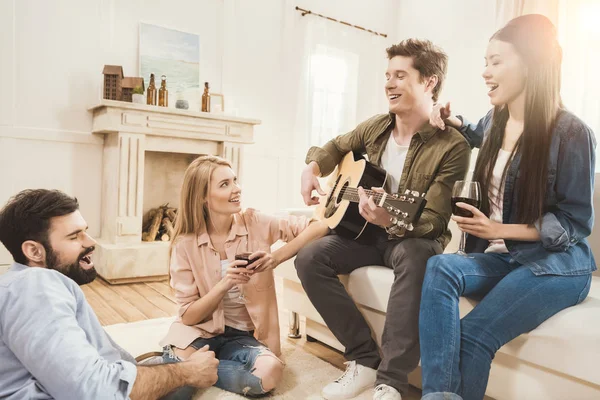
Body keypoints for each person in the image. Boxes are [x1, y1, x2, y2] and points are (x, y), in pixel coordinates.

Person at [421, 14, 597, 400]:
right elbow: (475, 132)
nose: (485, 72)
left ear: (532, 64)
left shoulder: (572, 133)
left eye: (496, 61)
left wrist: (500, 231)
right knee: (440, 266)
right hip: (505, 257)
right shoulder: (497, 118)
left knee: (472, 336)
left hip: (555, 264)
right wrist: (452, 119)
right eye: (486, 62)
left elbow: (575, 222)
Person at [296, 39, 472, 400]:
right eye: (387, 75)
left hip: (410, 238)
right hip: (364, 233)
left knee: (418, 254)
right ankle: (363, 360)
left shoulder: (452, 145)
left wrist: (388, 220)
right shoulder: (376, 127)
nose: (389, 84)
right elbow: (334, 147)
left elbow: (436, 221)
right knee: (310, 258)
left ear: (429, 82)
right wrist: (311, 168)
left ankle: (391, 381)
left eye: (400, 75)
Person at [0, 189, 219, 400]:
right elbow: (96, 391)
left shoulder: (23, 286)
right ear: (34, 251)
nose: (91, 242)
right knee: (192, 371)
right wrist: (187, 372)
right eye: (74, 237)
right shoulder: (34, 285)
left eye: (85, 231)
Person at [158, 155, 329, 397]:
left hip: (246, 337)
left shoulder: (255, 222)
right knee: (175, 391)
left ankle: (194, 370)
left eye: (235, 181)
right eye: (224, 184)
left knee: (269, 373)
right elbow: (189, 316)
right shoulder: (185, 245)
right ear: (203, 197)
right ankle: (186, 367)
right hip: (201, 330)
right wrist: (224, 284)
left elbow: (319, 226)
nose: (237, 189)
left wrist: (277, 257)